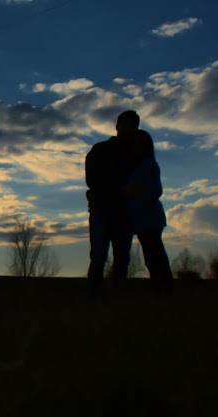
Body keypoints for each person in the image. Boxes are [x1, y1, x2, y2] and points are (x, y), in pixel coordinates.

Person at [85, 110, 139, 297]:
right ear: (117, 127)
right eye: (126, 126)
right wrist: (119, 190)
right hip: (102, 211)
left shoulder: (135, 156)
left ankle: (117, 301)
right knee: (99, 257)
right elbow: (92, 180)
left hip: (123, 214)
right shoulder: (100, 150)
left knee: (122, 260)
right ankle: (95, 301)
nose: (129, 131)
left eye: (133, 127)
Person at [119, 129, 173, 293]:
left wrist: (133, 207)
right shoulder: (139, 166)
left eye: (135, 143)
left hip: (149, 219)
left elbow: (155, 191)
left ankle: (164, 292)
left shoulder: (148, 164)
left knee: (155, 258)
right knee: (152, 258)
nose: (132, 147)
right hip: (143, 221)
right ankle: (163, 292)